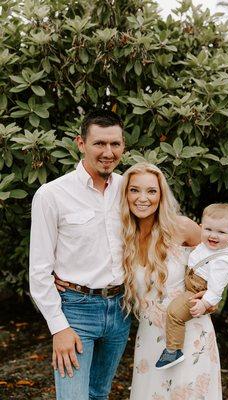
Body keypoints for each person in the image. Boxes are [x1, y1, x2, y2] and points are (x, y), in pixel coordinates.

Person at [29, 109, 131, 400]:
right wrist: (58, 327)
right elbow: (39, 270)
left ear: (123, 146)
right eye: (99, 143)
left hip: (120, 309)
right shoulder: (52, 195)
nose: (108, 152)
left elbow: (164, 230)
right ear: (81, 143)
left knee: (99, 393)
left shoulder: (129, 189)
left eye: (115, 144)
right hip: (76, 311)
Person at [119, 163, 223, 400]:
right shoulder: (123, 234)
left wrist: (211, 297)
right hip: (149, 338)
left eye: (152, 191)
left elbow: (218, 259)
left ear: (161, 195)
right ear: (125, 194)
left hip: (190, 334)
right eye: (135, 190)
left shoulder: (182, 227)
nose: (143, 198)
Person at [156, 203, 228, 370]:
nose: (213, 236)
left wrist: (204, 303)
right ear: (201, 227)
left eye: (221, 232)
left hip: (196, 292)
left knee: (174, 313)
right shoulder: (205, 246)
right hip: (190, 283)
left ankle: (173, 350)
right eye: (208, 229)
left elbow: (216, 290)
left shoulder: (223, 261)